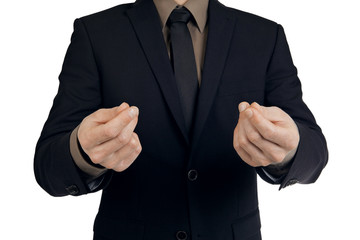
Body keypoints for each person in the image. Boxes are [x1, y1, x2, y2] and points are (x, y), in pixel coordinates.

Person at [34, 0, 328, 239]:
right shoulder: (95, 33)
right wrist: (83, 151)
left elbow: (315, 150)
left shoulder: (264, 36)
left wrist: (289, 149)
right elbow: (47, 164)